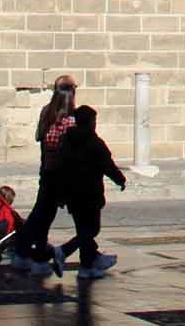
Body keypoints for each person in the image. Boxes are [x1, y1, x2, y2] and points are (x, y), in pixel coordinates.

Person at [47, 105, 126, 279]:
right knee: (91, 229)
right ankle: (63, 251)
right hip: (90, 193)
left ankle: (86, 266)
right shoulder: (94, 142)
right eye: (94, 121)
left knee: (83, 228)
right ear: (90, 122)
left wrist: (60, 192)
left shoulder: (66, 140)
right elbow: (107, 165)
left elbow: (59, 166)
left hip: (72, 193)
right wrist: (120, 179)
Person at [11, 75, 78, 273]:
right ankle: (33, 255)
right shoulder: (70, 119)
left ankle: (28, 254)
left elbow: (40, 138)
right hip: (61, 175)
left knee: (41, 215)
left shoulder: (46, 113)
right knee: (43, 217)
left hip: (46, 172)